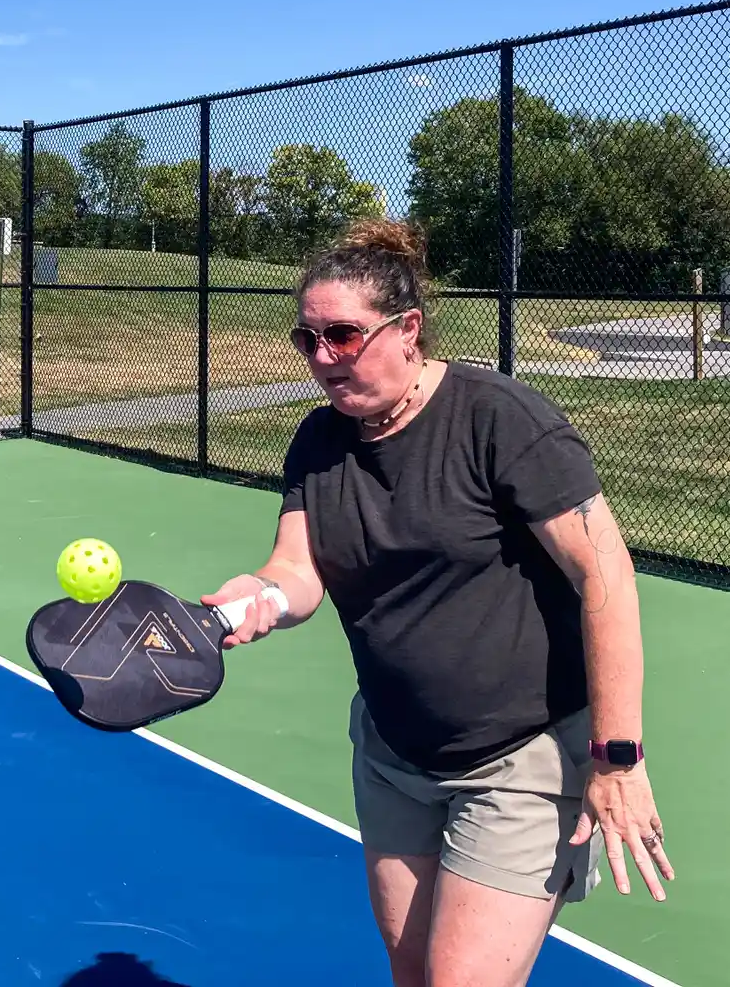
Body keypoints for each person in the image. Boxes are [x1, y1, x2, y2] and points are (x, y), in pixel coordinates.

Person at [202, 219, 673, 987]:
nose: (323, 359)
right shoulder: (321, 441)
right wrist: (254, 597)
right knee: (413, 971)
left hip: (520, 760)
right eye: (308, 339)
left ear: (408, 328)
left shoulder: (498, 418)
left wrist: (617, 758)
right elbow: (297, 570)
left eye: (344, 336)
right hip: (394, 756)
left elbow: (607, 579)